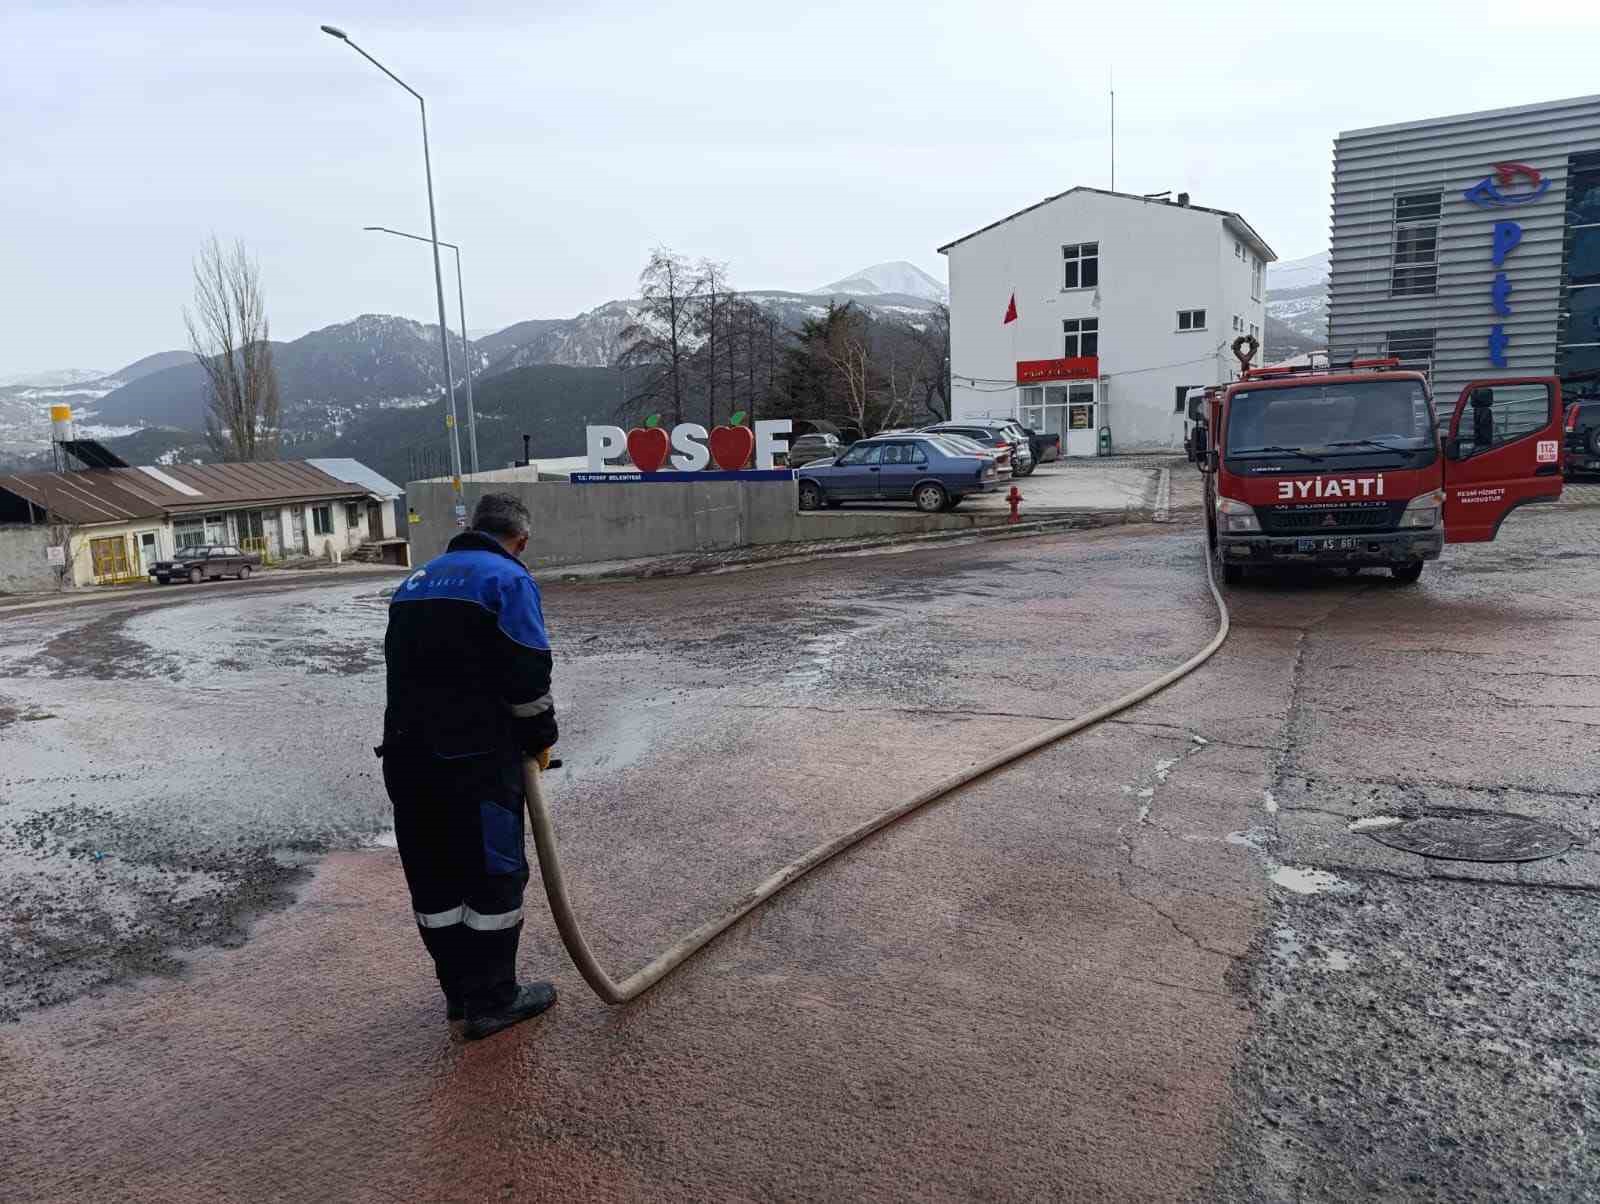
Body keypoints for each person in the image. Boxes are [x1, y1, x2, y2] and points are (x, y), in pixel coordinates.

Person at [378, 492, 560, 1040]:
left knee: (434, 877)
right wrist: (540, 740)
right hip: (475, 761)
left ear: (473, 527)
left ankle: (458, 993)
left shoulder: (415, 581)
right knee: (492, 875)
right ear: (520, 540)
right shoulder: (506, 579)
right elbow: (528, 675)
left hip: (407, 758)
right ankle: (493, 1000)